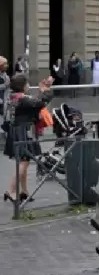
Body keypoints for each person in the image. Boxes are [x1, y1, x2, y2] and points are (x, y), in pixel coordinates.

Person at [2, 74, 54, 203]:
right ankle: (11, 190)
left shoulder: (14, 97)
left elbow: (33, 102)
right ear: (23, 86)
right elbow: (40, 103)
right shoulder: (22, 99)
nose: (29, 86)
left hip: (16, 131)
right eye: (27, 84)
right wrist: (45, 90)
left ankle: (24, 191)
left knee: (23, 161)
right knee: (24, 162)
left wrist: (42, 90)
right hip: (24, 132)